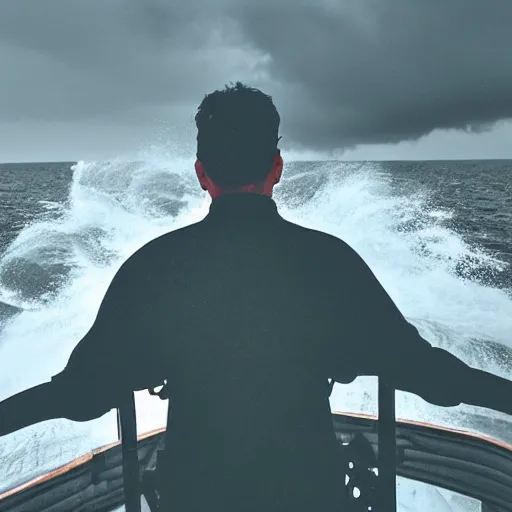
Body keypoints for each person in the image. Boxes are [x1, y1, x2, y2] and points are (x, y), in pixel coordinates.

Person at [1, 82, 512, 511]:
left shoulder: (151, 268)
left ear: (201, 173)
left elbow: (80, 395)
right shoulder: (330, 262)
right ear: (278, 166)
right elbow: (429, 374)